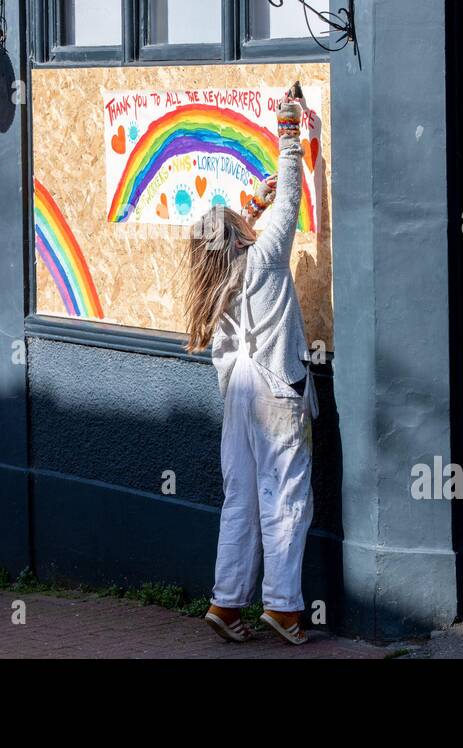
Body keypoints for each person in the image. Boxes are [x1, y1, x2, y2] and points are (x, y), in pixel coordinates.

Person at [184, 91, 316, 645]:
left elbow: (253, 225)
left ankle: (225, 601)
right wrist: (290, 136)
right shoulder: (262, 262)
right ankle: (283, 608)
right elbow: (289, 205)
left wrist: (249, 209)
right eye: (242, 223)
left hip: (235, 390)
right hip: (275, 386)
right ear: (241, 238)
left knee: (238, 497)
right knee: (284, 494)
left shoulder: (215, 282)